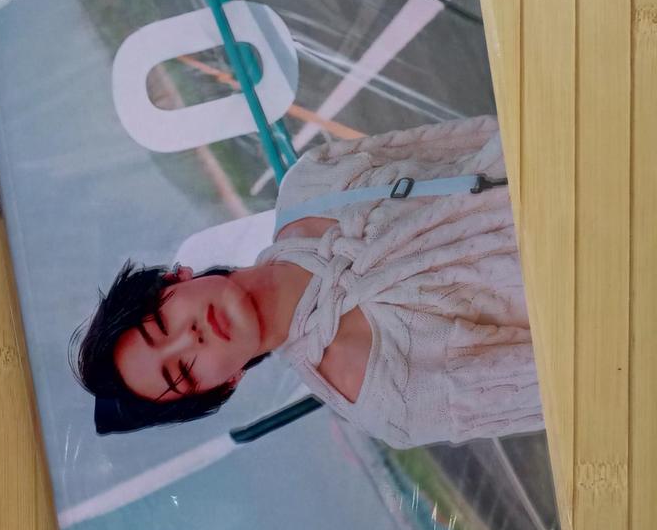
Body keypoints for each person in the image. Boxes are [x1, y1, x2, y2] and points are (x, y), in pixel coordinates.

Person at [73, 115, 544, 448]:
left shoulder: (312, 184)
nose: (189, 338)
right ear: (226, 385)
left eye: (161, 324)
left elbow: (487, 135)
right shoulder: (384, 399)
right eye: (183, 372)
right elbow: (563, 383)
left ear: (175, 278)